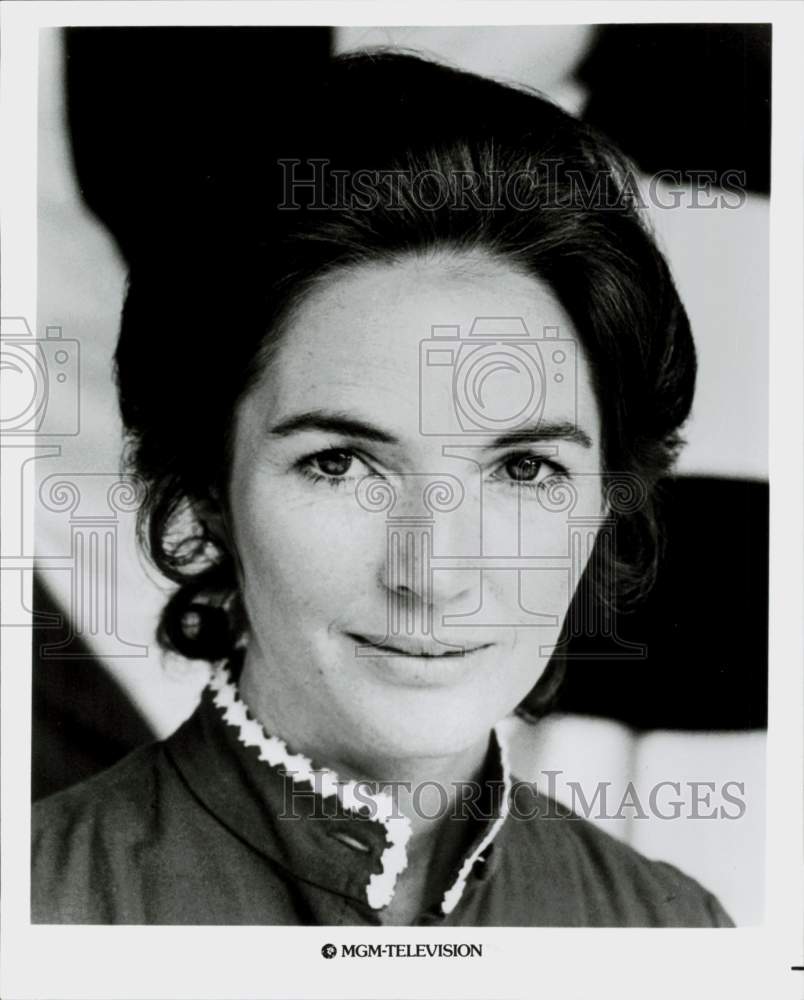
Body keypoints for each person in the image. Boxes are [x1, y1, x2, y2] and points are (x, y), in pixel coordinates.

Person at [31, 50, 733, 927]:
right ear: (208, 488)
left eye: (523, 469)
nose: (433, 575)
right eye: (340, 463)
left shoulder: (670, 931)